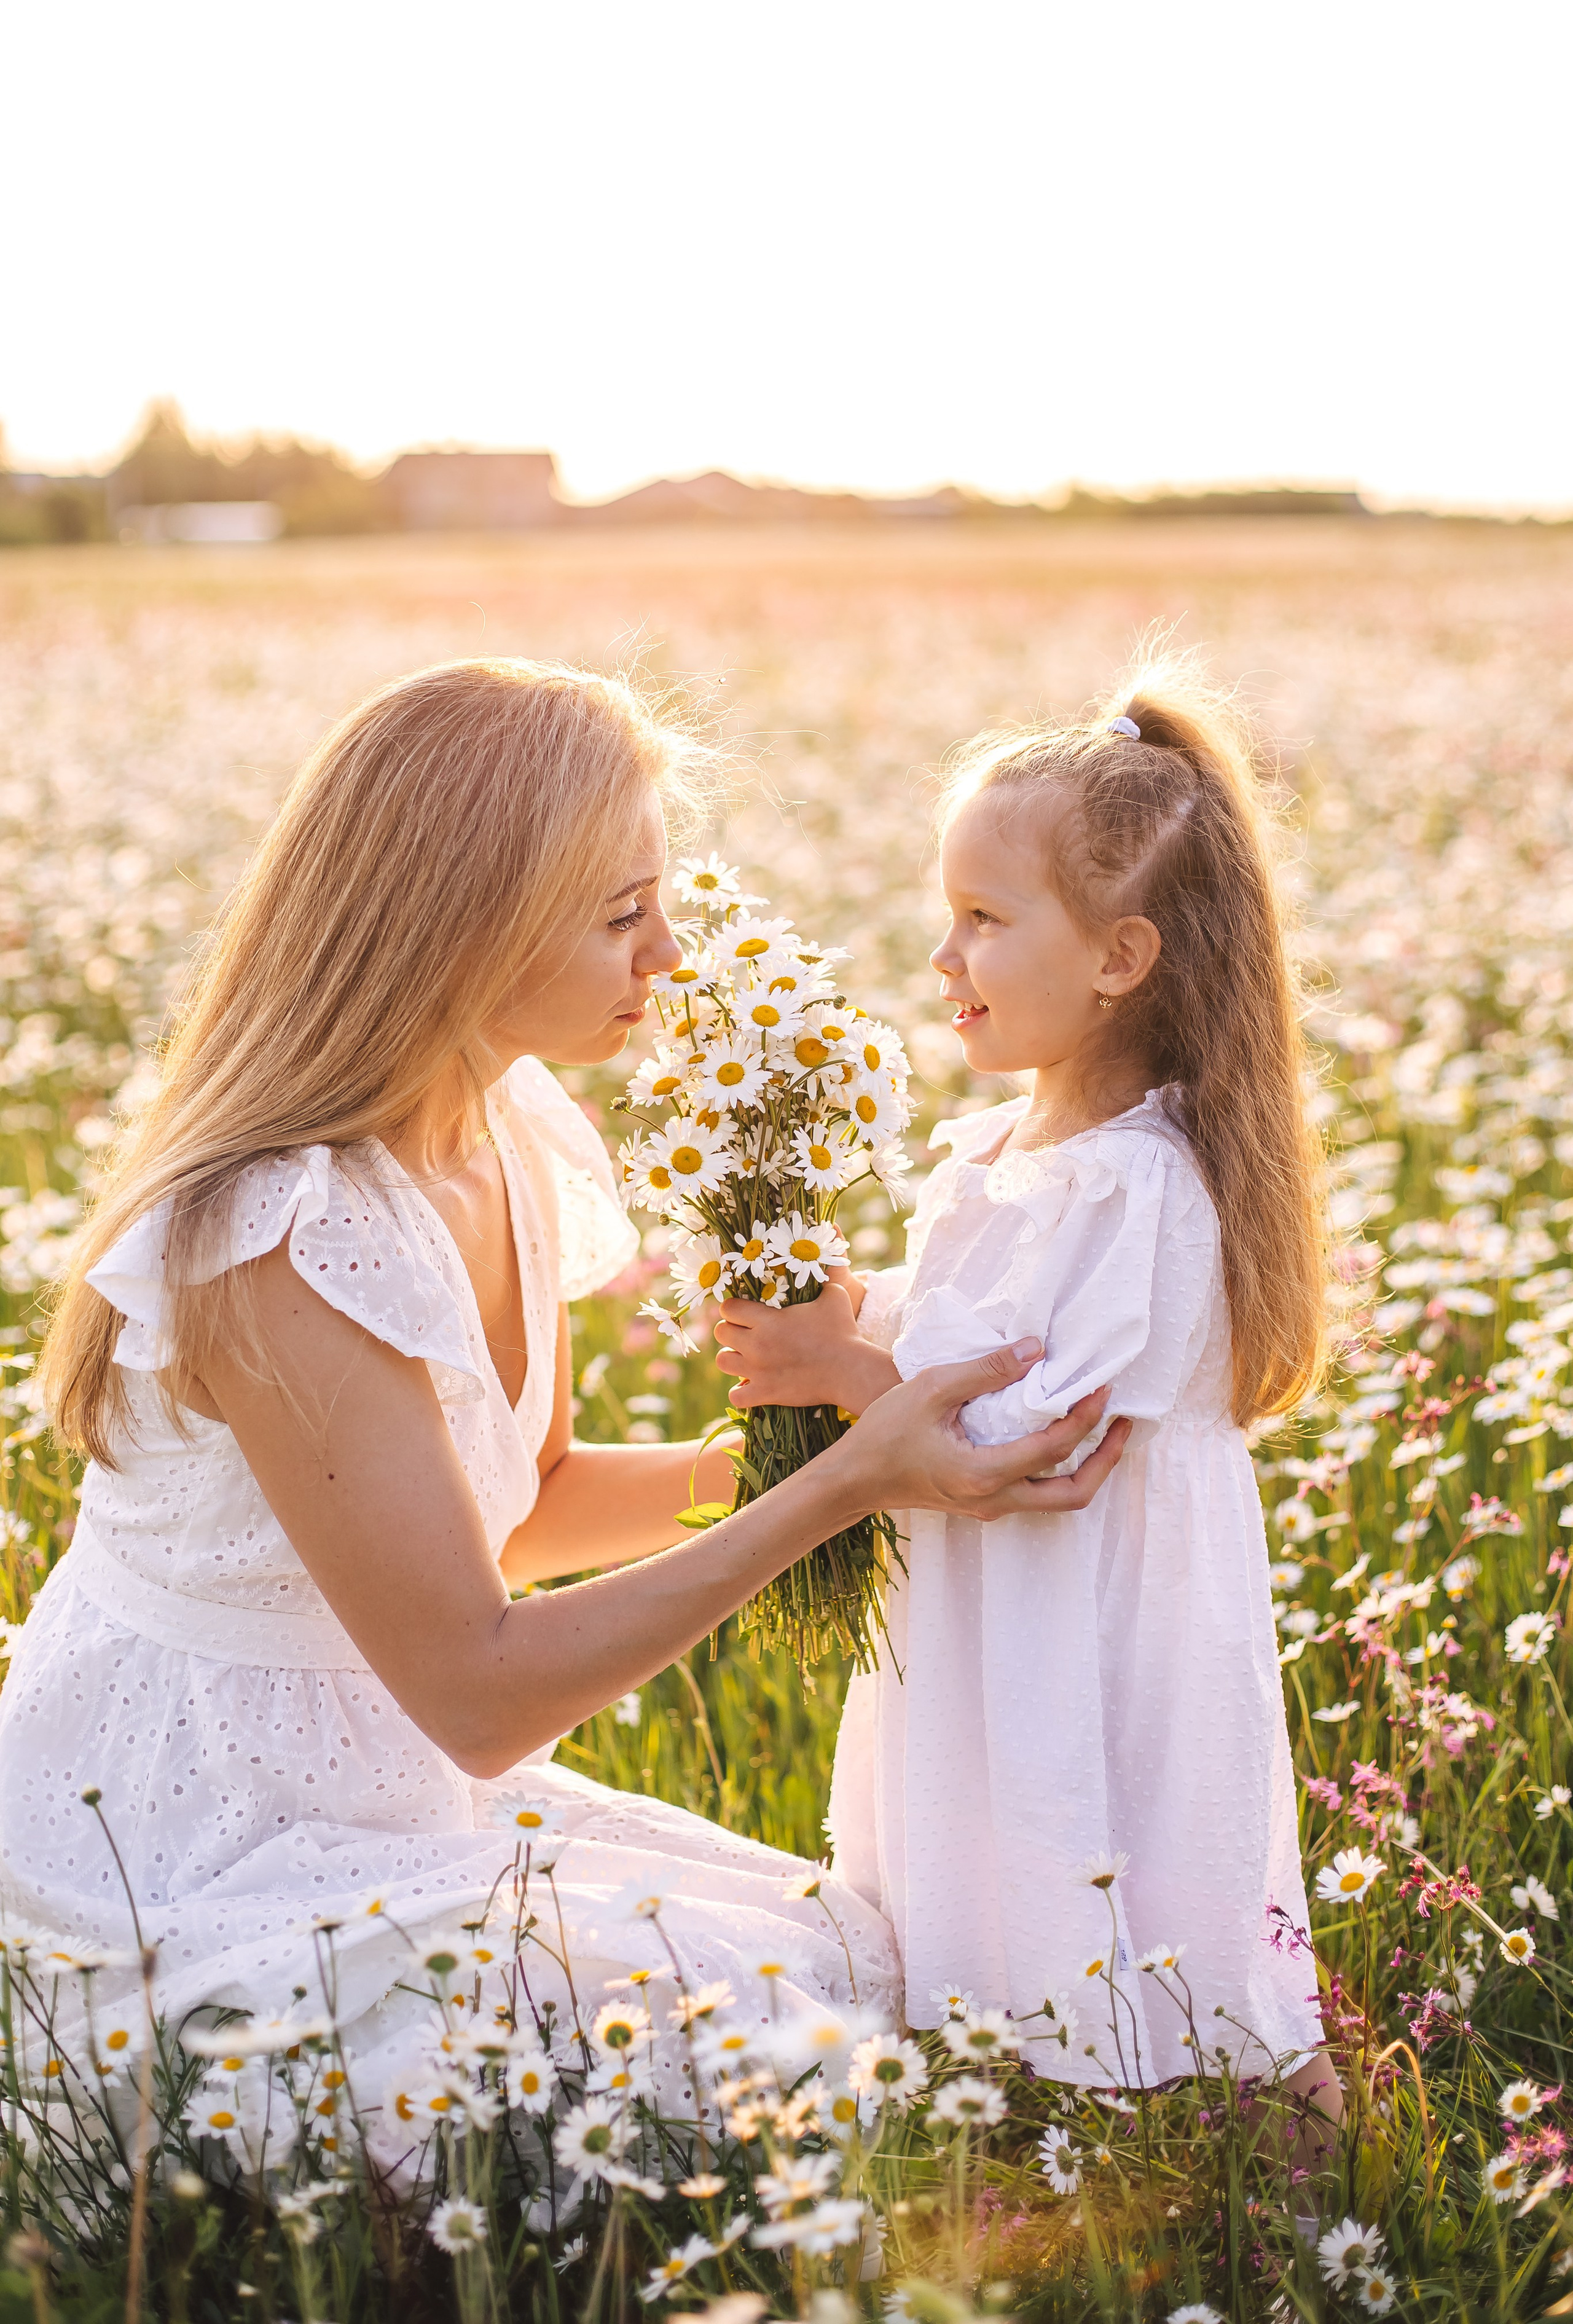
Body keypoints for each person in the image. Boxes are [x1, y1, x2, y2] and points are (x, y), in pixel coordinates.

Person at [0, 656, 1125, 2152]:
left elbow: (522, 1509)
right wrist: (847, 1488)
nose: (669, 952)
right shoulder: (280, 1229)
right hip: (169, 1861)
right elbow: (478, 1694)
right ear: (461, 931)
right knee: (781, 2038)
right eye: (619, 917)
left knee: (852, 1954)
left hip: (375, 1803)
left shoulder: (502, 1134)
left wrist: (847, 1417)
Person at [715, 655, 1340, 2119]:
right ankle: (1030, 2106)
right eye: (947, 915)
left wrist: (847, 1366)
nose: (942, 956)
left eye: (983, 921)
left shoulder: (1143, 1184)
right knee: (990, 1857)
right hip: (990, 1609)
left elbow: (1039, 1440)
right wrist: (842, 1308)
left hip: (1092, 1609)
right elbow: (970, 1334)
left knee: (1135, 1861)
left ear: (1120, 959)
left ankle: (1278, 2150)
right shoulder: (992, 1155)